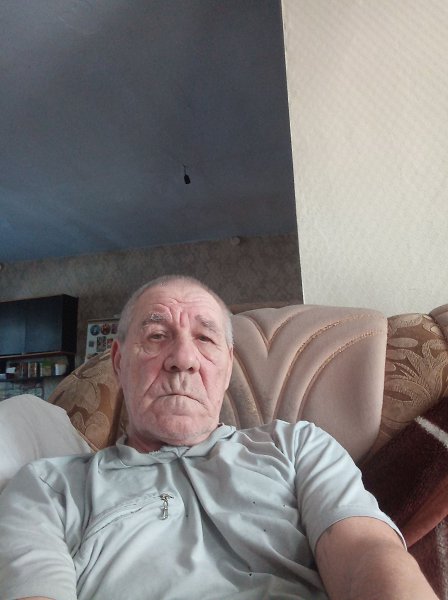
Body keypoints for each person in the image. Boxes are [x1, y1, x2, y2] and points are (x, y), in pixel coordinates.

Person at [0, 275, 438, 600]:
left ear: (226, 367)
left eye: (205, 338)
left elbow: (365, 554)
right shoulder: (47, 487)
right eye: (156, 336)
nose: (182, 358)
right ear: (118, 362)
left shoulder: (300, 448)